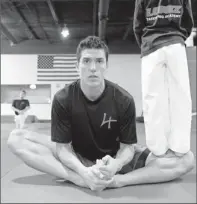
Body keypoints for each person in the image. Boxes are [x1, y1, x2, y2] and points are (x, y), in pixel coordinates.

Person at [7, 36, 194, 192]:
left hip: (116, 157)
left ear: (106, 65)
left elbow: (128, 147)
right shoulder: (63, 98)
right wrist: (82, 173)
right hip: (77, 156)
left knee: (186, 159)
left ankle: (118, 182)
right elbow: (63, 148)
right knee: (16, 138)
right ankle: (78, 179)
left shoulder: (123, 99)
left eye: (99, 61)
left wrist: (117, 166)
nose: (93, 68)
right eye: (86, 61)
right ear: (77, 65)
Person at [133, 0, 194, 157]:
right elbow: (188, 23)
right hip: (176, 47)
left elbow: (137, 26)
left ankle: (157, 148)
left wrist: (146, 44)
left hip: (152, 49)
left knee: (153, 98)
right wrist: (177, 38)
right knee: (180, 95)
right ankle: (181, 146)